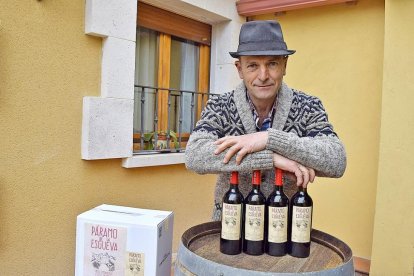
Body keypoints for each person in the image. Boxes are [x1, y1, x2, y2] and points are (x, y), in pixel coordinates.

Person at [185, 20, 346, 221]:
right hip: (229, 224)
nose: (263, 76)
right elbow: (195, 155)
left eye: (272, 63)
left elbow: (336, 160)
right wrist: (271, 159)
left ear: (284, 66)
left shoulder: (309, 106)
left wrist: (268, 139)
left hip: (285, 228)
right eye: (252, 65)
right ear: (240, 69)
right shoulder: (220, 106)